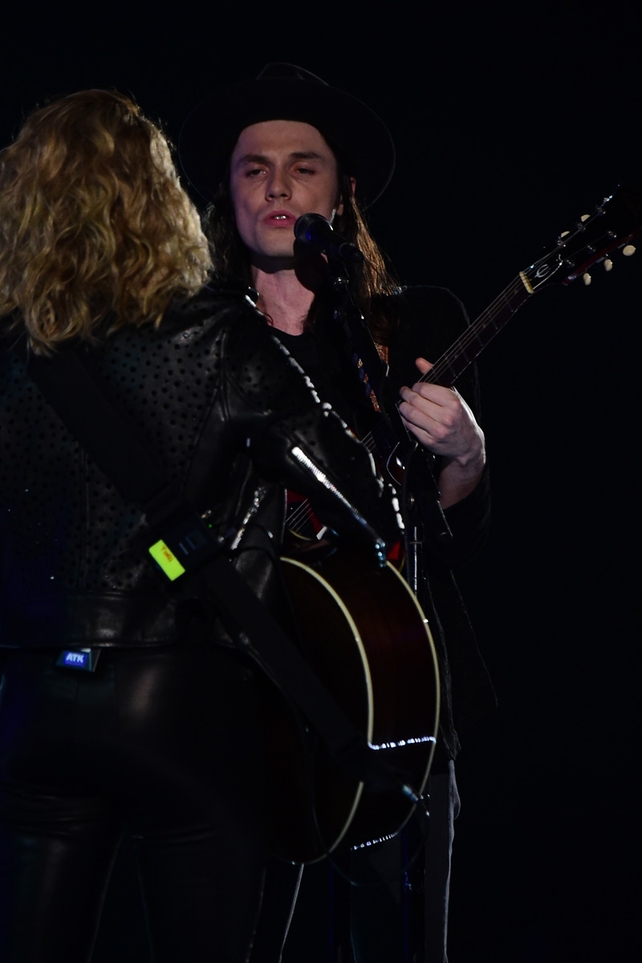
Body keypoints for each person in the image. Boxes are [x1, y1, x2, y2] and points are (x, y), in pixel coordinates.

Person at [0, 89, 402, 963]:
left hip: (28, 699)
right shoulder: (217, 334)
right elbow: (367, 502)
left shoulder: (11, 352)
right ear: (164, 197)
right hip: (182, 703)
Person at [179, 64, 497, 962]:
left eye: (303, 165)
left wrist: (468, 454)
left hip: (390, 684)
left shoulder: (415, 324)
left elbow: (450, 530)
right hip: (232, 700)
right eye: (253, 168)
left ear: (343, 191)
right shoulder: (190, 341)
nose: (277, 184)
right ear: (226, 194)